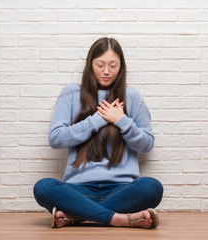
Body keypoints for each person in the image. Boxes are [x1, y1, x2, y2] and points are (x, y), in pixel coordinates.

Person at [33, 37, 163, 229]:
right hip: (78, 190)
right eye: (100, 64)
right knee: (43, 187)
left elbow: (146, 144)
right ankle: (118, 218)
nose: (106, 71)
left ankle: (77, 216)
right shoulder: (71, 94)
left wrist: (121, 120)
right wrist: (97, 120)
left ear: (121, 66)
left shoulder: (132, 96)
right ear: (90, 64)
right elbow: (56, 138)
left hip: (122, 190)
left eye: (113, 65)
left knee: (152, 188)